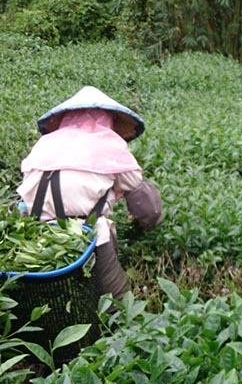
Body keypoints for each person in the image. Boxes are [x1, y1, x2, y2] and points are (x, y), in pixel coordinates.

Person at [18, 86, 163, 300]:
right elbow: (147, 206)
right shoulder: (110, 146)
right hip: (90, 236)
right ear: (108, 121)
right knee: (117, 305)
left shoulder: (43, 145)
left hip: (35, 236)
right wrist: (146, 224)